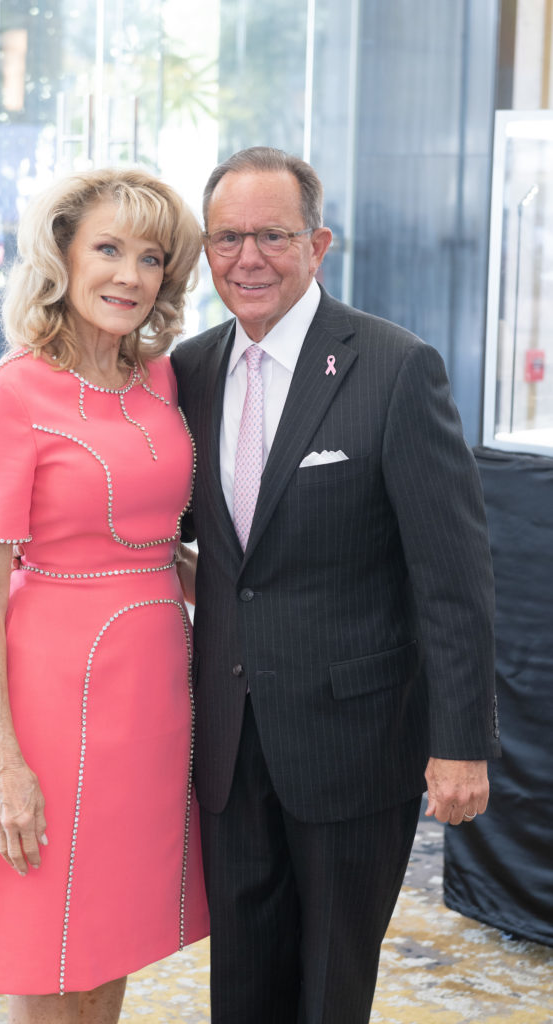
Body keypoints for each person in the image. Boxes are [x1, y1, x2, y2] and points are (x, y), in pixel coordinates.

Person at [170, 146, 501, 1024]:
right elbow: (183, 529)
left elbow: (453, 575)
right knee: (240, 978)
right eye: (228, 237)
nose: (249, 258)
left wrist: (460, 741)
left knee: (328, 986)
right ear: (205, 252)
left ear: (319, 244)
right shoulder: (189, 372)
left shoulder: (394, 369)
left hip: (353, 743)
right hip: (230, 743)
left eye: (273, 236)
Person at [0, 168, 208, 1023]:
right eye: (107, 249)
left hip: (153, 693)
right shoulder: (3, 398)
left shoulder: (162, 381)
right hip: (53, 699)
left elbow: (160, 546)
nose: (128, 275)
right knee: (49, 943)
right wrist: (4, 762)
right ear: (61, 257)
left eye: (149, 257)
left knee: (109, 933)